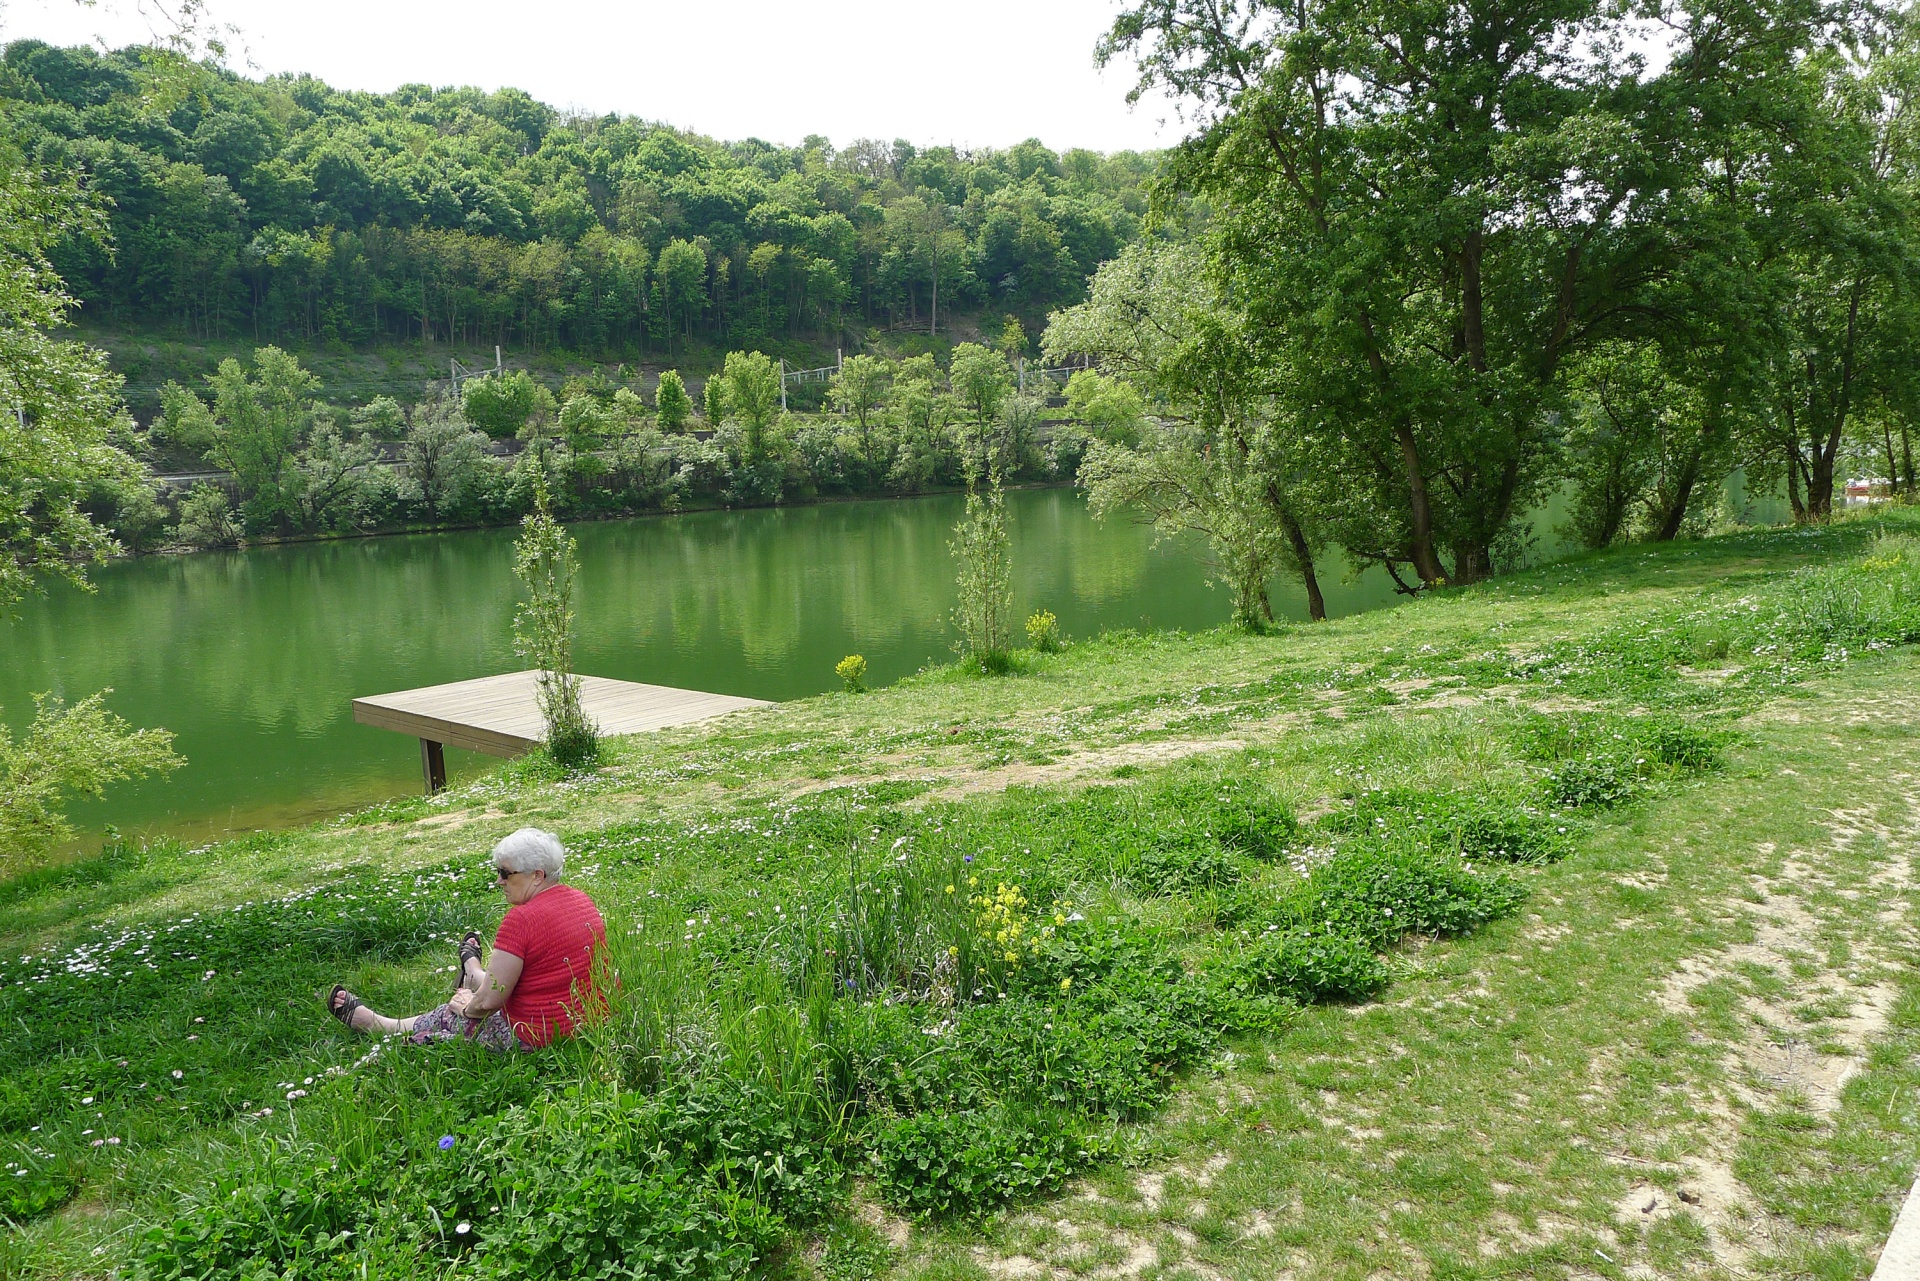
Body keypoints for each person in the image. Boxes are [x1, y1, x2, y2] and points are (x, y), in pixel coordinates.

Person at [326, 828, 607, 1052]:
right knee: (480, 992)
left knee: (450, 1015)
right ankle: (472, 971)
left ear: (537, 875)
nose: (499, 881)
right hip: (587, 1023)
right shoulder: (582, 901)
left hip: (536, 1035)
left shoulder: (522, 919)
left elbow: (488, 1003)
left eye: (505, 873)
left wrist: (466, 1006)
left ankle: (381, 1025)